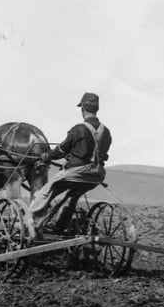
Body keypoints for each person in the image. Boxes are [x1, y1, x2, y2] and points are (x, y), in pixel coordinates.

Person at [30, 92, 112, 232]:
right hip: (97, 175)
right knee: (72, 196)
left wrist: (45, 156)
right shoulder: (106, 131)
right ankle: (60, 226)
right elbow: (93, 152)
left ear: (82, 109)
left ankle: (30, 224)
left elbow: (61, 151)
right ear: (96, 109)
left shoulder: (78, 129)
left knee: (44, 193)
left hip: (76, 172)